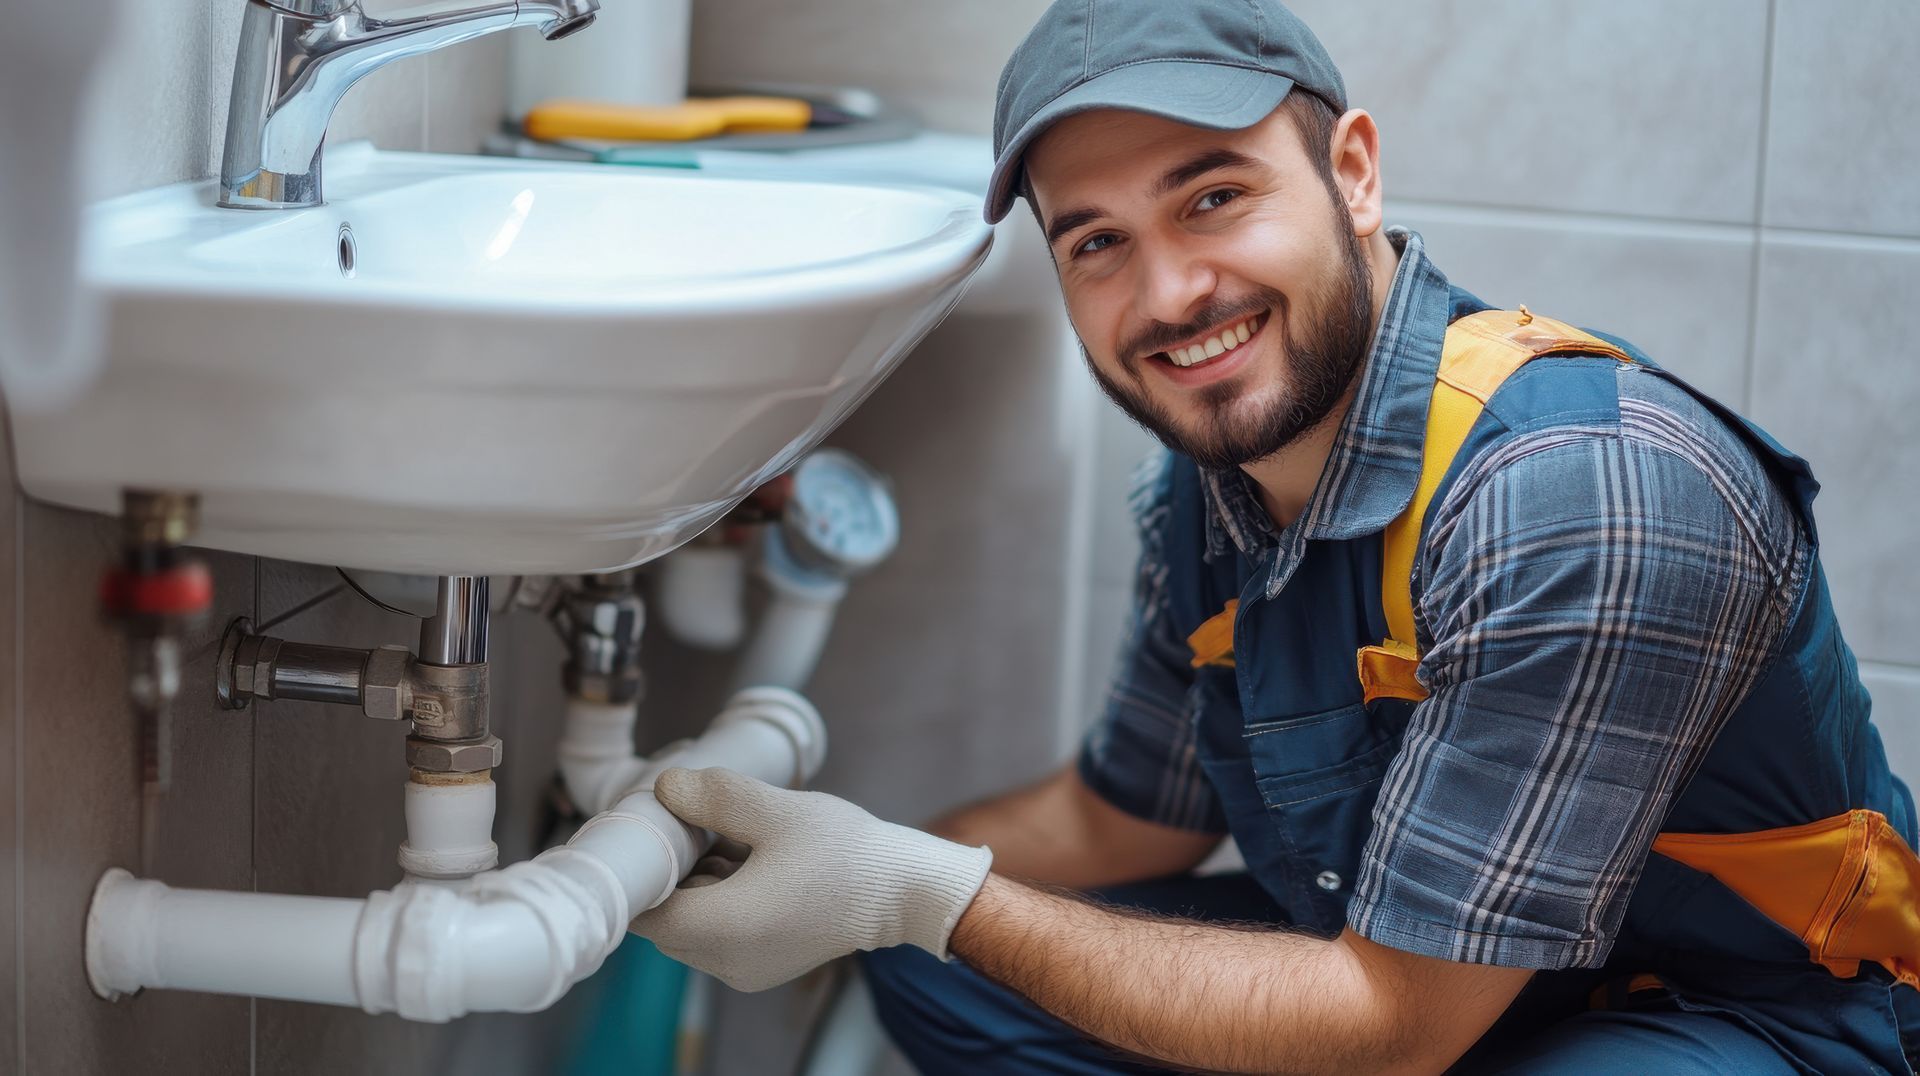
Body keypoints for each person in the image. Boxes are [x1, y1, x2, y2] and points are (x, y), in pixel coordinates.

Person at [630, 2, 1920, 1071]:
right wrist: (849, 867)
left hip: (1752, 1021)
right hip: (1465, 989)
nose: (1171, 294)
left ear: (1353, 173)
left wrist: (916, 894)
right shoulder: (1210, 496)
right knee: (948, 985)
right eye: (1099, 243)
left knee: (957, 936)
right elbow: (1116, 823)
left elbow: (1401, 1026)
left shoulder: (1580, 491)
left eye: (1213, 198)